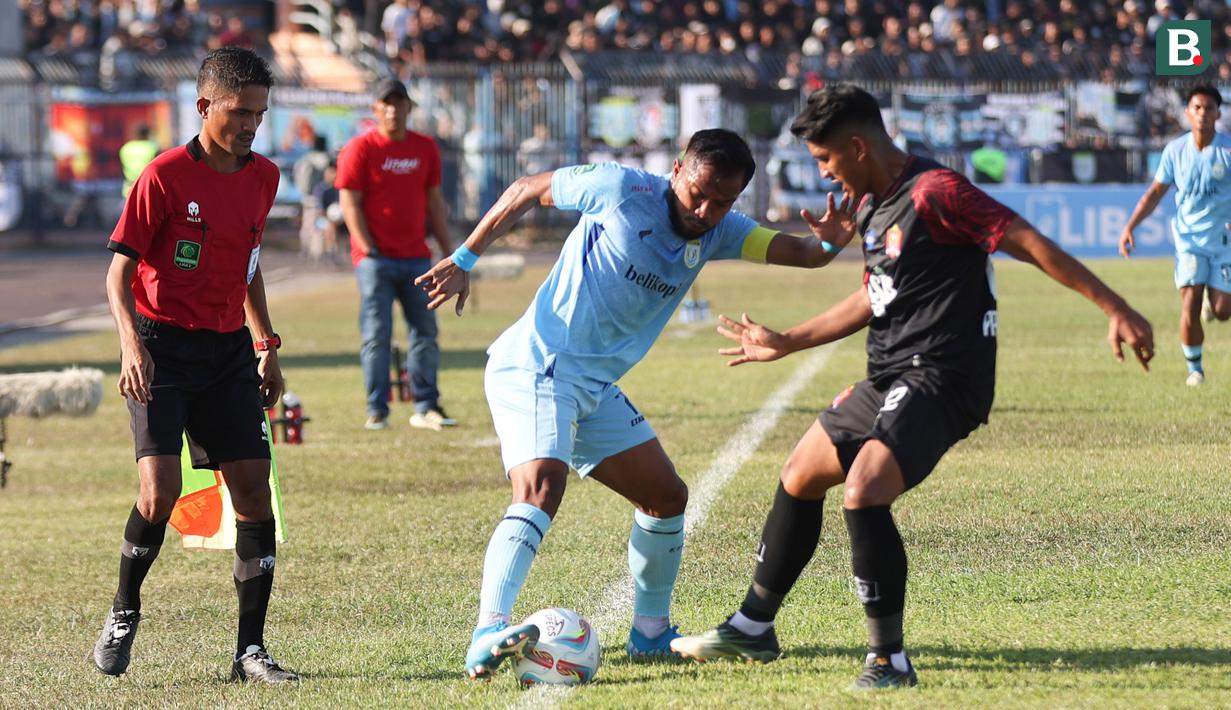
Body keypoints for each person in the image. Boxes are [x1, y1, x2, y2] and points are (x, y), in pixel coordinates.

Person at [669, 85, 1154, 689]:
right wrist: (788, 340)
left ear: (856, 146)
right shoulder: (872, 204)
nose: (823, 172)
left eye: (825, 159)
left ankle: (888, 660)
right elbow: (872, 296)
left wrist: (1114, 306)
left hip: (945, 375)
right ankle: (752, 626)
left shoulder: (936, 192)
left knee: (864, 489)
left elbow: (1028, 241)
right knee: (801, 471)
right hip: (892, 373)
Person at [413, 128, 861, 680]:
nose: (705, 211)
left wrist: (830, 244)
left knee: (666, 497)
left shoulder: (719, 231)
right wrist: (464, 257)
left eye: (722, 202)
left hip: (593, 386)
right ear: (676, 170)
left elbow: (802, 252)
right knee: (541, 487)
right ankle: (488, 629)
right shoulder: (619, 189)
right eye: (698, 193)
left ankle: (650, 633)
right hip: (539, 364)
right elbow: (527, 188)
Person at [91, 47, 298, 684]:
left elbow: (248, 266)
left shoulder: (265, 177)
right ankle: (124, 609)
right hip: (161, 349)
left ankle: (250, 652)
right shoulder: (163, 177)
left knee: (253, 493)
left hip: (228, 351)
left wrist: (265, 344)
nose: (251, 125)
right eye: (240, 113)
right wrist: (132, 345)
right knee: (160, 494)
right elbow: (118, 274)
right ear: (205, 106)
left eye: (260, 114)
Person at [336, 78, 457, 431]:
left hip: (417, 258)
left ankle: (426, 405)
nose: (393, 110)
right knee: (377, 335)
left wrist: (449, 251)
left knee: (425, 332)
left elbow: (434, 202)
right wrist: (367, 248)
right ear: (375, 109)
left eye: (399, 102)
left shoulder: (425, 147)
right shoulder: (360, 148)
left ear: (409, 107)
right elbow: (349, 202)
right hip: (376, 261)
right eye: (386, 103)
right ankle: (377, 409)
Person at [1119, 85, 1231, 386]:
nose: (1203, 113)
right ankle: (1195, 369)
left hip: (1223, 241)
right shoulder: (1175, 151)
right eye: (1197, 108)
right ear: (1187, 113)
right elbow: (1155, 192)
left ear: (1218, 114)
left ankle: (1212, 301)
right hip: (1188, 240)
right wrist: (1130, 226)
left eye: (1209, 108)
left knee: (1223, 312)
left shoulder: (1227, 150)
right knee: (1189, 302)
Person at [292, 134, 330, 260]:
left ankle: (305, 249)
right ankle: (317, 252)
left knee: (307, 224)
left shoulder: (305, 159)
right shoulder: (325, 159)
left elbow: (296, 176)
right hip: (319, 195)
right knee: (318, 225)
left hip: (305, 197)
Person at [119, 124, 158, 199]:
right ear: (148, 134)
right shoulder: (153, 147)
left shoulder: (125, 148)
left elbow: (122, 169)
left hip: (129, 188)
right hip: (148, 189)